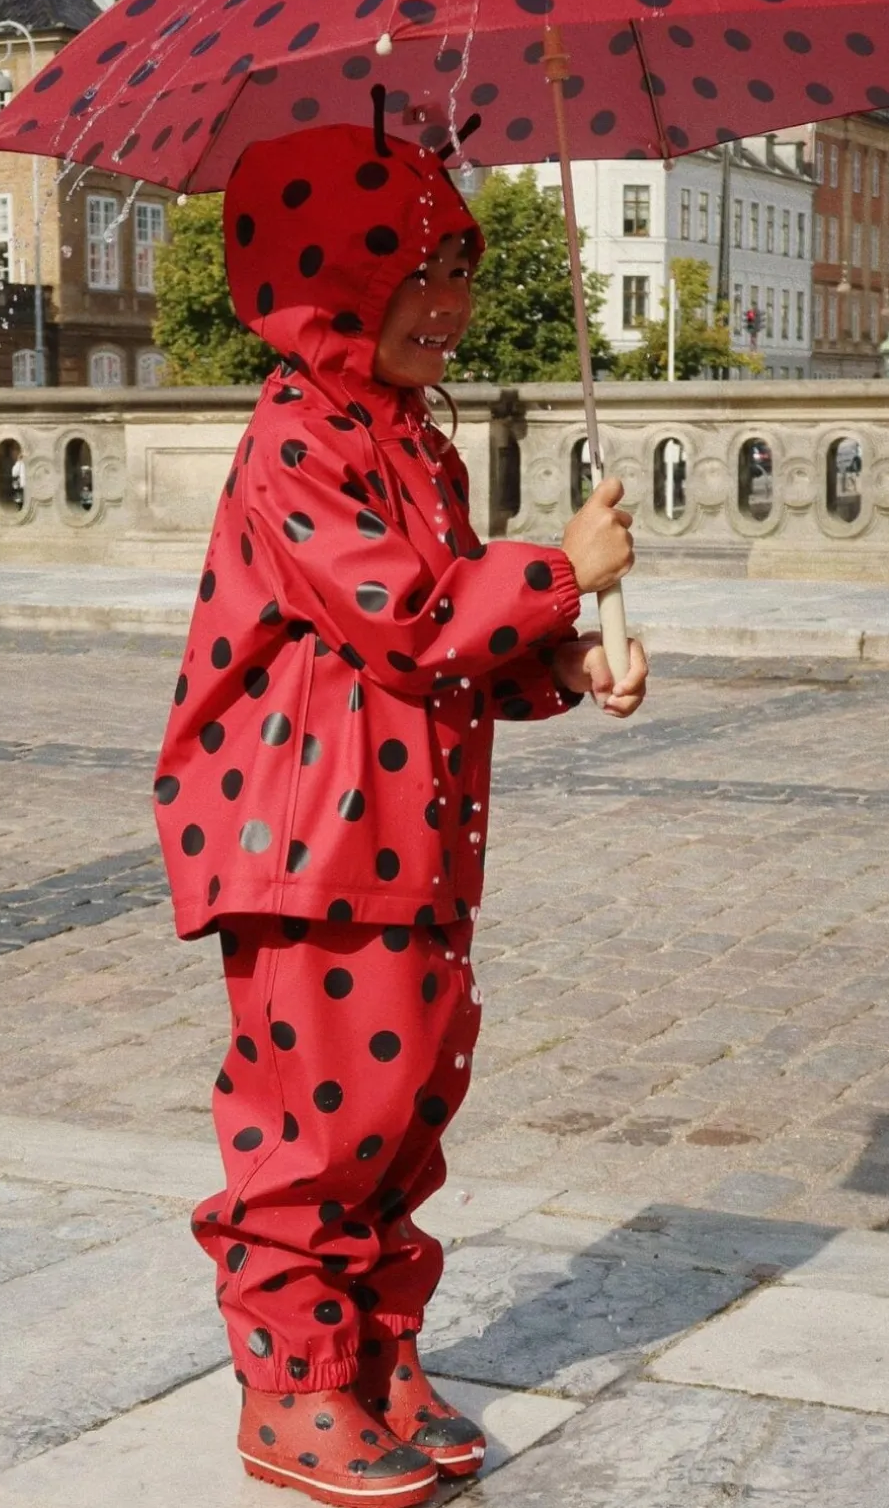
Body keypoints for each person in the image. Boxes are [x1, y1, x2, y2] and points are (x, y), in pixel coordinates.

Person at [154, 112, 647, 1508]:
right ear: (327, 285)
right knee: (316, 1128)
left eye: (458, 271)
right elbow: (411, 615)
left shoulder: (420, 447)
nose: (447, 304)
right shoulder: (295, 438)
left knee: (403, 1111)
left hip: (415, 838)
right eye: (408, 273)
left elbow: (460, 654)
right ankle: (290, 1384)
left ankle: (372, 1355)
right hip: (307, 846)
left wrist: (564, 657)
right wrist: (561, 568)